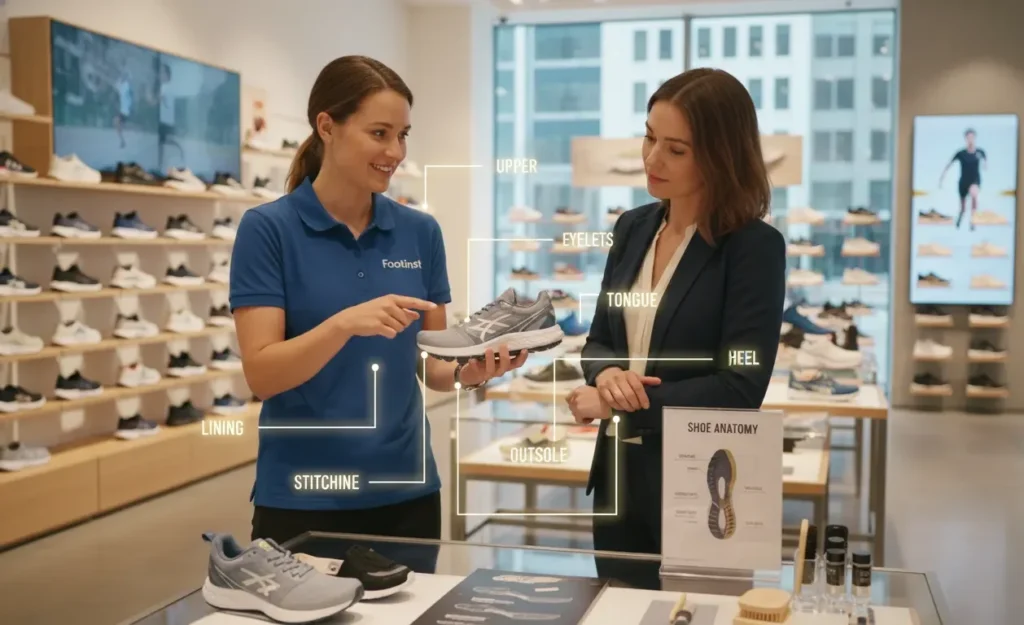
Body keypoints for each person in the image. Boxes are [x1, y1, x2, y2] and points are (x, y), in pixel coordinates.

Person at [229, 56, 527, 564]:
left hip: (406, 492)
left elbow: (434, 366)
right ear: (327, 126)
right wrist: (344, 324)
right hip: (302, 497)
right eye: (380, 133)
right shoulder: (267, 230)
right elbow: (263, 375)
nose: (395, 152)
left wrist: (473, 371)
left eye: (403, 135)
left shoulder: (421, 232)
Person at [565, 68, 786, 588]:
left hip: (705, 482)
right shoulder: (632, 227)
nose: (651, 159)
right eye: (649, 138)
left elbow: (741, 385)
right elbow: (599, 339)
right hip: (619, 477)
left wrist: (618, 402)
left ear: (720, 155)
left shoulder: (752, 248)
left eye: (676, 149)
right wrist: (606, 374)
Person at [939, 128, 987, 230]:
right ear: (965, 139)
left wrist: (986, 165)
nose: (970, 139)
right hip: (963, 182)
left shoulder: (980, 152)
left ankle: (973, 221)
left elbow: (985, 161)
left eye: (972, 137)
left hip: (975, 180)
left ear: (974, 138)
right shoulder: (961, 154)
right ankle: (960, 217)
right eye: (968, 137)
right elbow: (949, 165)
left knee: (974, 194)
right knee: (963, 208)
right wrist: (942, 178)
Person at [156, 63, 184, 169]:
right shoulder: (168, 87)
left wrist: (148, 96)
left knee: (163, 143)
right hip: (166, 121)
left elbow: (156, 101)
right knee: (162, 143)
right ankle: (161, 164)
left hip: (166, 122)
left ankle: (162, 164)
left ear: (167, 75)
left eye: (162, 73)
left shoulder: (166, 87)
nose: (160, 75)